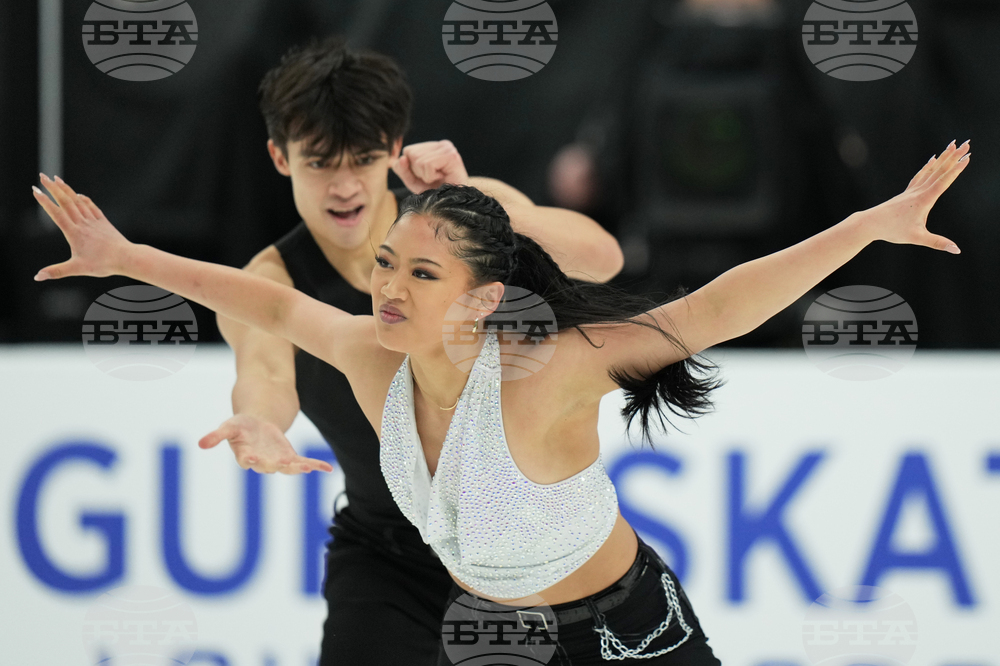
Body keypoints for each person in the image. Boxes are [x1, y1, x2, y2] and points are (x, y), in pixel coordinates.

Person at [32, 138, 968, 663]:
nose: (386, 286)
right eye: (387, 263)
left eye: (421, 273)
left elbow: (714, 308)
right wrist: (126, 259)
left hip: (627, 636)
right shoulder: (370, 357)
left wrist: (868, 226)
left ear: (484, 299)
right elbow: (271, 302)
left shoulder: (550, 370)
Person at [193, 36, 624, 664]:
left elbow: (602, 260)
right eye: (319, 163)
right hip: (387, 557)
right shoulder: (271, 280)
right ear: (279, 158)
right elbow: (264, 369)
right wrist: (260, 420)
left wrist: (476, 196)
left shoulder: (464, 226)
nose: (344, 187)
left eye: (363, 159)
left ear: (395, 150)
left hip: (521, 547)